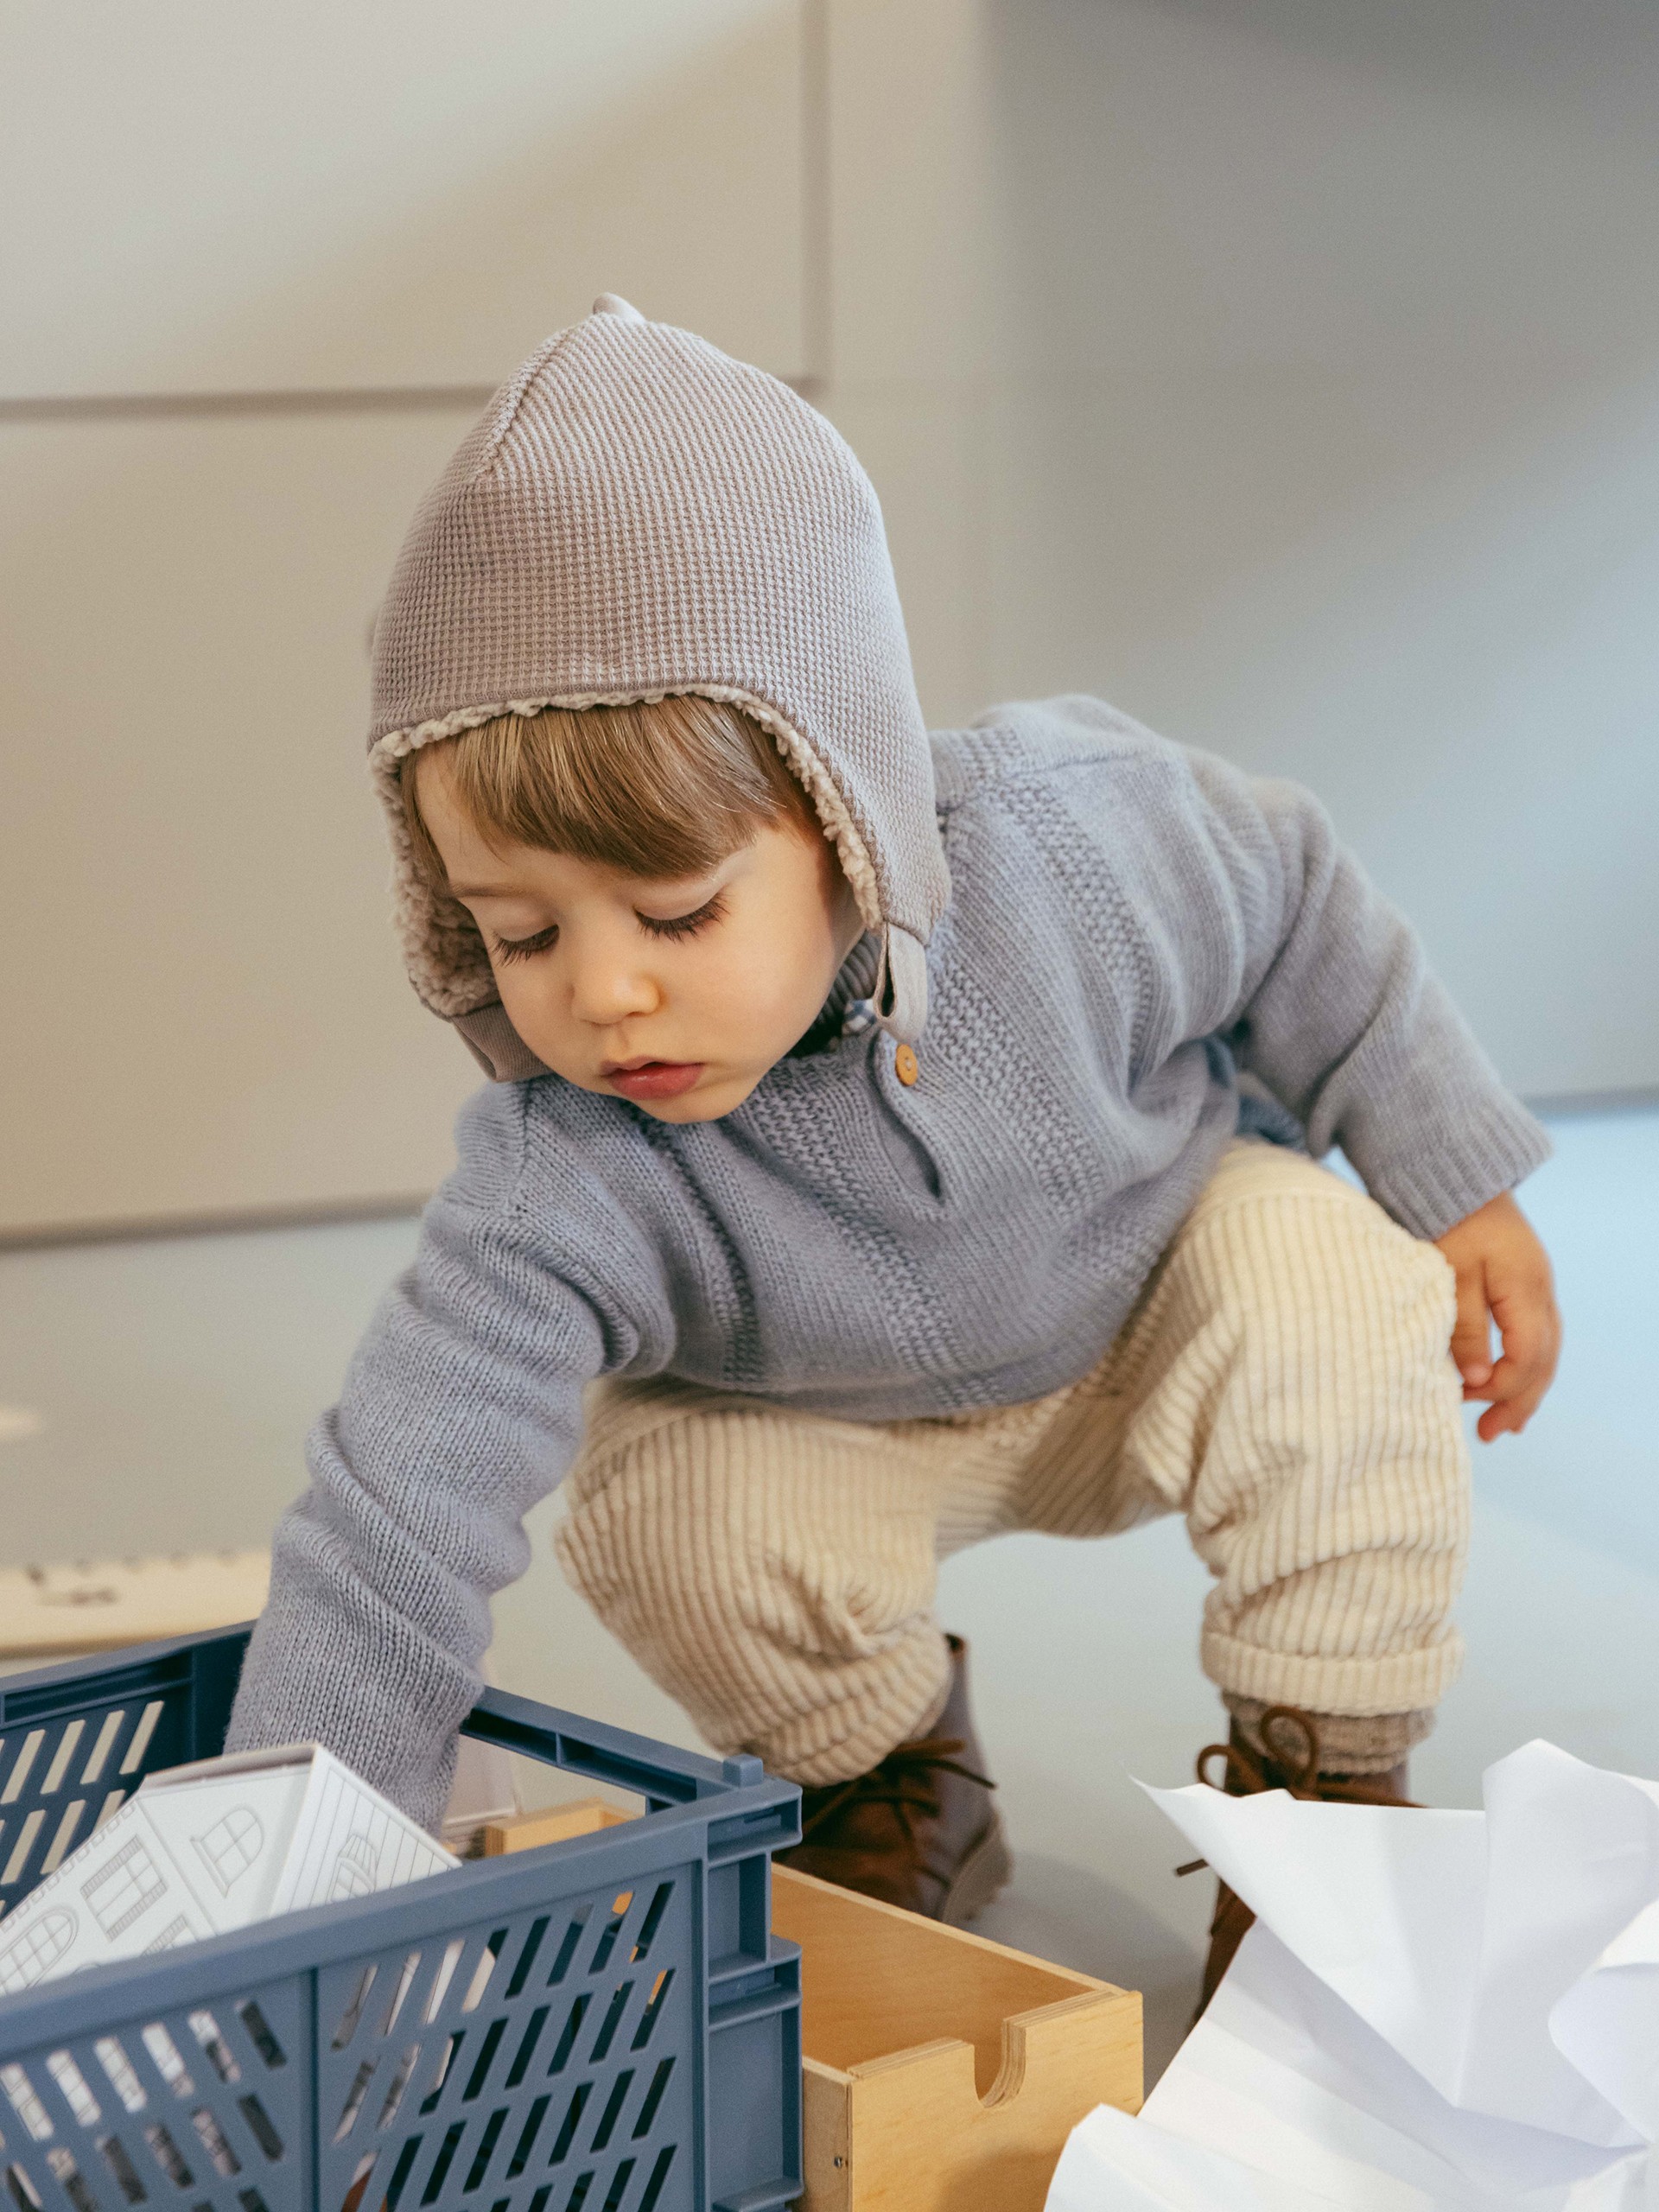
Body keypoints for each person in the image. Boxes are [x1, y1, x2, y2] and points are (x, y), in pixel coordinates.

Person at [226, 297, 1560, 2000]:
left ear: (845, 806)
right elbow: (392, 1523)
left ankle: (1324, 1793)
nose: (607, 990)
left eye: (679, 907)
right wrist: (290, 1892)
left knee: (1336, 1283)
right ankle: (897, 1763)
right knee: (668, 1504)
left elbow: (1300, 900)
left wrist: (1461, 1179)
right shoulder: (561, 1171)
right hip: (830, 1427)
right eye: (517, 932)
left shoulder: (1075, 843)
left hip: (1148, 1300)